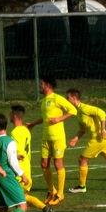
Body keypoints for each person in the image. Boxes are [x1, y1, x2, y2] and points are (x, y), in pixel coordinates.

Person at [26, 76, 76, 204]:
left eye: (41, 84)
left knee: (58, 164)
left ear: (48, 85)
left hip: (57, 137)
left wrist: (59, 119)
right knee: (44, 164)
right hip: (45, 136)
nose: (40, 86)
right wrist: (33, 123)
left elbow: (73, 110)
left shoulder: (57, 98)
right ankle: (52, 190)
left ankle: (60, 193)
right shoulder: (44, 101)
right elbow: (46, 118)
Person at [10, 104, 51, 212]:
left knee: (16, 201)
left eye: (10, 113)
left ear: (14, 115)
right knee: (22, 198)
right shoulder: (26, 130)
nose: (9, 116)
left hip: (20, 173)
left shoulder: (15, 132)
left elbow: (19, 154)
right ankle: (45, 208)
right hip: (26, 170)